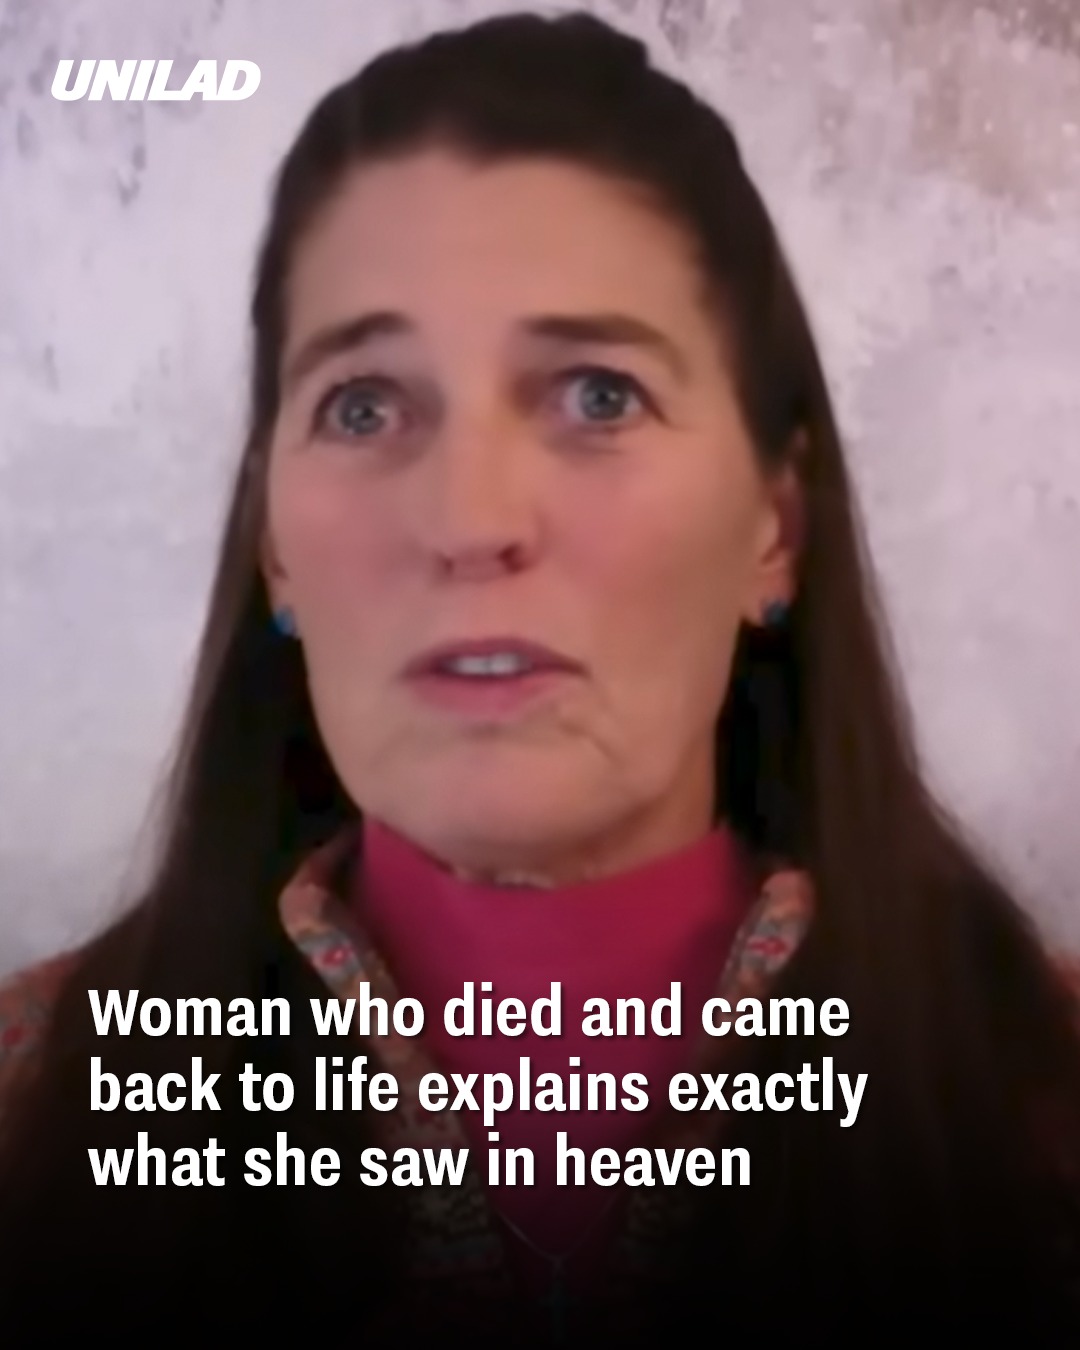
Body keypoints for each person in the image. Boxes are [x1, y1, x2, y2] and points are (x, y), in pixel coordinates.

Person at [1, 11, 1078, 1344]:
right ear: (275, 549)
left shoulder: (1048, 1098)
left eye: (598, 395)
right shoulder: (31, 1110)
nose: (470, 518)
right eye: (363, 404)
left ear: (775, 526)